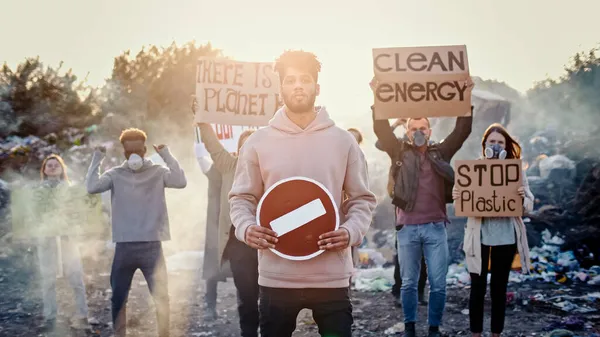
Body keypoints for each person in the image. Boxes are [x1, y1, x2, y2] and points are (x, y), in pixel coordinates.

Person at [229, 50, 377, 337]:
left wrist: (349, 232)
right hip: (277, 277)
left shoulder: (343, 141)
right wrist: (246, 228)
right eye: (291, 80)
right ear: (281, 87)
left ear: (317, 87)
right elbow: (241, 198)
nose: (298, 85)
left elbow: (361, 200)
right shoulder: (258, 142)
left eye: (305, 79)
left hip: (331, 278)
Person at [372, 77, 473, 337]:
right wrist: (377, 96)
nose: (419, 132)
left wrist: (466, 97)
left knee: (438, 284)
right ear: (407, 132)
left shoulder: (441, 152)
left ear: (430, 131)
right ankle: (409, 327)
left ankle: (434, 328)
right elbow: (381, 130)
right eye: (414, 127)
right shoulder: (398, 151)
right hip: (407, 229)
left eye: (423, 127)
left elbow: (462, 131)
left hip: (436, 229)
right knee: (407, 284)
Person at [86, 128, 187, 337]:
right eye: (129, 150)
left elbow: (180, 181)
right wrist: (97, 157)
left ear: (144, 150)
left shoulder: (158, 172)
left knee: (161, 298)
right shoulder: (115, 174)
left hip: (152, 246)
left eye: (138, 150)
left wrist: (166, 155)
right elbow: (92, 187)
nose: (134, 155)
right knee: (118, 298)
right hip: (125, 247)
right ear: (124, 152)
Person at [454, 123, 533, 337]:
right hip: (478, 237)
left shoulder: (514, 170)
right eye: (492, 142)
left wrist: (522, 197)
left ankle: (496, 334)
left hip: (506, 237)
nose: (496, 146)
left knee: (499, 289)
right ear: (485, 146)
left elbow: (529, 204)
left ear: (506, 145)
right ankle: (476, 334)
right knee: (477, 289)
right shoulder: (472, 169)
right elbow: (459, 196)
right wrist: (459, 197)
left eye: (500, 142)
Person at [193, 102, 259, 337]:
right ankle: (249, 332)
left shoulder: (271, 169)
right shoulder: (228, 165)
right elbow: (212, 145)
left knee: (268, 294)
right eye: (245, 145)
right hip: (238, 242)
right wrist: (202, 119)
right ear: (238, 149)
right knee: (246, 293)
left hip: (266, 242)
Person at [375, 122, 428, 307]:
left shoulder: (428, 146)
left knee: (423, 253)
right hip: (403, 204)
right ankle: (399, 291)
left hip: (425, 203)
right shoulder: (399, 146)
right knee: (403, 250)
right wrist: (397, 122)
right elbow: (380, 143)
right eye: (413, 128)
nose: (417, 133)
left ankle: (419, 292)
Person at [36, 154, 91, 332]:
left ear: (62, 169)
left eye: (56, 165)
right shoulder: (36, 192)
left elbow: (81, 212)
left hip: (68, 239)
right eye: (49, 165)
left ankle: (83, 316)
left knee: (76, 278)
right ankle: (50, 316)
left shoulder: (72, 190)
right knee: (48, 280)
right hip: (47, 240)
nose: (52, 167)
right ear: (44, 169)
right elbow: (30, 216)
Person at [193, 127, 228, 321]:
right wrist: (198, 126)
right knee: (213, 268)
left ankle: (245, 306)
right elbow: (200, 155)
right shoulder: (214, 169)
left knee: (243, 270)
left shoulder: (241, 168)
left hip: (234, 226)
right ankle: (210, 307)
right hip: (216, 226)